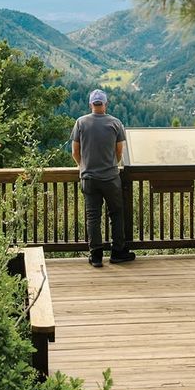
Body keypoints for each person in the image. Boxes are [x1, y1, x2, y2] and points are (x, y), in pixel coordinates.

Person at [71, 89, 135, 268]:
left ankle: (96, 256)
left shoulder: (81, 123)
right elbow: (119, 151)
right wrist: (112, 164)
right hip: (110, 177)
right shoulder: (115, 123)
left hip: (89, 178)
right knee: (116, 214)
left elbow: (75, 151)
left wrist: (82, 166)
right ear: (105, 104)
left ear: (91, 104)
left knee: (93, 216)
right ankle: (118, 252)